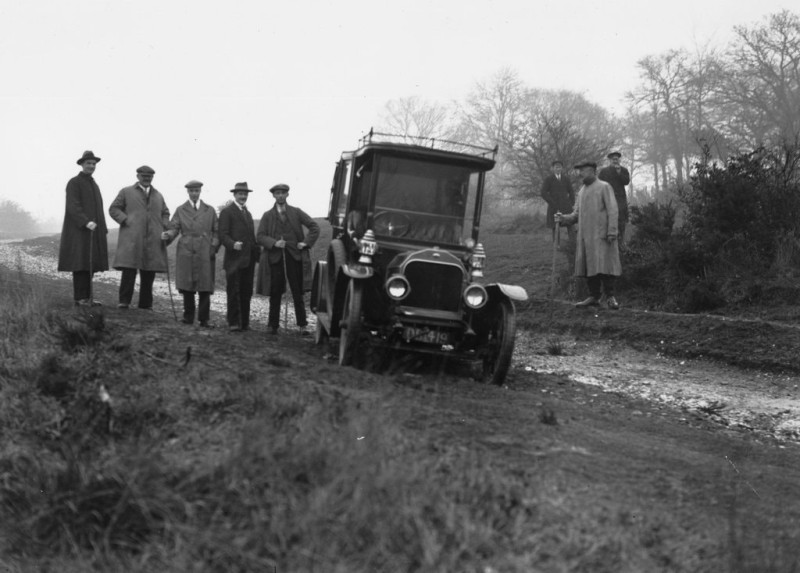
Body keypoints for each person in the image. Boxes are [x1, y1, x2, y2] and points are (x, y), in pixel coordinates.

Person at [556, 161, 622, 310]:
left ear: (592, 171)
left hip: (603, 235)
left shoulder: (604, 187)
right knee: (589, 267)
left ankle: (610, 297)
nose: (580, 174)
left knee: (606, 266)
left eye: (583, 171)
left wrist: (612, 231)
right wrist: (563, 219)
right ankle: (594, 296)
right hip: (586, 236)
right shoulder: (582, 191)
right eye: (579, 171)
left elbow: (613, 210)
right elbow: (576, 215)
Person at [256, 183, 320, 335]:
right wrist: (274, 243)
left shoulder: (296, 212)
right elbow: (260, 236)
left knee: (297, 291)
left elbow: (314, 227)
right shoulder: (267, 215)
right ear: (273, 195)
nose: (280, 195)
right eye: (277, 193)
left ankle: (302, 325)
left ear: (287, 195)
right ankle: (273, 325)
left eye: (283, 193)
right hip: (276, 258)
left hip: (294, 256)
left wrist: (305, 243)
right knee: (276, 290)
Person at [108, 165, 171, 310]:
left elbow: (165, 212)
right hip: (132, 238)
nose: (147, 179)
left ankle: (145, 304)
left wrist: (164, 225)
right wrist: (125, 219)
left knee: (149, 272)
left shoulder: (158, 195)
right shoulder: (126, 192)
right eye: (144, 176)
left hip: (153, 239)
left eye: (149, 177)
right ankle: (124, 301)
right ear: (138, 177)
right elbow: (113, 209)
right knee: (129, 270)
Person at [57, 150, 109, 306]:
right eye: (88, 163)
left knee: (91, 264)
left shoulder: (94, 184)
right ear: (81, 164)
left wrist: (103, 228)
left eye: (94, 164)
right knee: (80, 264)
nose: (91, 166)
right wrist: (85, 222)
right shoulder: (74, 182)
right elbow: (73, 206)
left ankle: (88, 297)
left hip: (94, 231)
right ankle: (80, 298)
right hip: (79, 231)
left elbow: (99, 209)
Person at [165, 180, 219, 327]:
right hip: (186, 248)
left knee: (205, 284)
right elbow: (174, 227)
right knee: (187, 284)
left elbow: (216, 230)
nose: (194, 193)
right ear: (187, 192)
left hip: (204, 249)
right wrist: (168, 235)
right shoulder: (180, 209)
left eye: (197, 190)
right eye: (191, 191)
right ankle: (188, 317)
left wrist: (213, 245)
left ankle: (204, 319)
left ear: (200, 191)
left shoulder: (210, 210)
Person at [219, 182, 259, 332]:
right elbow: (223, 235)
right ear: (234, 195)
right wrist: (232, 244)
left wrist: (258, 254)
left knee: (246, 291)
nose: (243, 196)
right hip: (234, 260)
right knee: (234, 291)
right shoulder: (227, 212)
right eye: (240, 194)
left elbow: (251, 238)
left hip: (248, 260)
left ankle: (244, 323)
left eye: (245, 194)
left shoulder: (247, 214)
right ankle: (233, 322)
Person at [598, 151, 630, 245]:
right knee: (608, 219)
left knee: (621, 220)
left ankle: (621, 242)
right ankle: (609, 241)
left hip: (620, 200)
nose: (615, 161)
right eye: (613, 159)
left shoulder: (623, 170)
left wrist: (619, 173)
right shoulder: (604, 171)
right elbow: (599, 184)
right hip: (608, 199)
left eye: (617, 159)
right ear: (610, 160)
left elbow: (626, 182)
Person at [540, 160, 576, 243]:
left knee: (570, 225)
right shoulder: (549, 179)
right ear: (552, 168)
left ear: (562, 168)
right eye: (556, 167)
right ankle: (557, 244)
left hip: (566, 206)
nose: (558, 169)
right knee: (555, 226)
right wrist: (551, 202)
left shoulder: (566, 179)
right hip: (554, 207)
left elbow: (571, 192)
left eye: (560, 167)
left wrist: (571, 203)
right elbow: (543, 192)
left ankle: (573, 243)